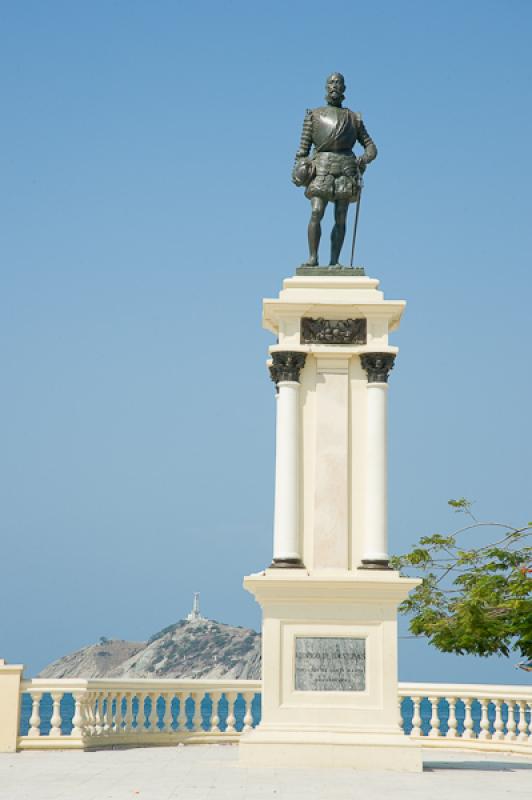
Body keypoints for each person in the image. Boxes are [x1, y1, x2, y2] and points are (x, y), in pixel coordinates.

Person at [293, 73, 377, 266]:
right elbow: (303, 149)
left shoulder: (353, 118)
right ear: (326, 87)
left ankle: (334, 261)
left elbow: (371, 147)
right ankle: (313, 258)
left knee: (340, 217)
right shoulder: (313, 115)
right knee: (316, 212)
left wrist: (363, 159)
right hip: (321, 167)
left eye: (338, 83)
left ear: (344, 88)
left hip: (345, 168)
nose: (335, 86)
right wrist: (298, 169)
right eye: (331, 82)